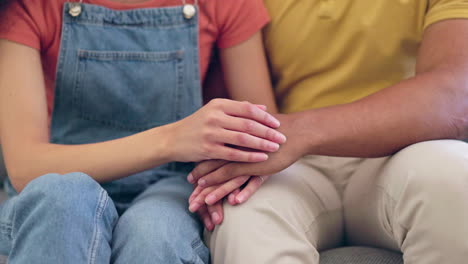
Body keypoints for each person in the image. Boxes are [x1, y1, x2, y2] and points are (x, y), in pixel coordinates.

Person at [0, 0, 285, 263]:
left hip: (170, 185)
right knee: (64, 199)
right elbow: (25, 168)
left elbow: (263, 134)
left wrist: (222, 174)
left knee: (154, 232)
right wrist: (172, 139)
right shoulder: (29, 6)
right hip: (57, 179)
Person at [188, 1, 468, 263]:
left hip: (404, 148)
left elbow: (456, 94)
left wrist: (300, 131)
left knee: (455, 177)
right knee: (241, 216)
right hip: (291, 165)